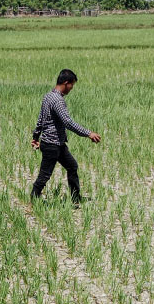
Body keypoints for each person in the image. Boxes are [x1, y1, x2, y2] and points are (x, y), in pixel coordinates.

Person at [30, 68, 101, 204]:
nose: (72, 88)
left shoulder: (48, 96)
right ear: (66, 83)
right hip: (52, 145)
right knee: (44, 175)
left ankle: (75, 199)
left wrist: (36, 136)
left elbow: (41, 119)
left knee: (72, 166)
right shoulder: (58, 100)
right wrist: (88, 133)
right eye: (72, 85)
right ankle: (33, 201)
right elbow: (68, 122)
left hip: (58, 144)